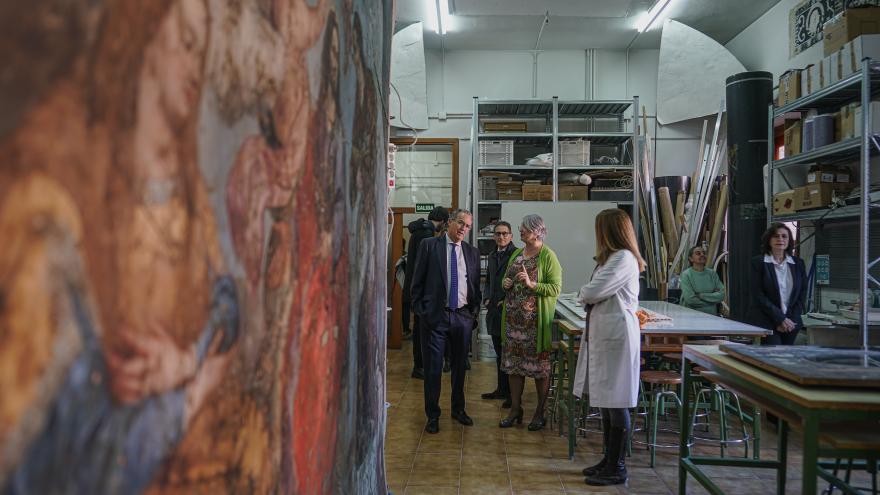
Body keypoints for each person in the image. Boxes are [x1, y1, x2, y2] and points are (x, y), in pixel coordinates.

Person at [573, 208, 645, 486]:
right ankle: (607, 459)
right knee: (606, 400)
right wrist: (587, 294)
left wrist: (586, 294)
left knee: (617, 402)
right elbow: (592, 292)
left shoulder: (624, 259)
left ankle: (618, 466)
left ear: (610, 232)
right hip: (606, 335)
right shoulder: (611, 259)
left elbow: (591, 292)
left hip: (617, 337)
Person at [410, 209, 482, 434]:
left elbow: (474, 286)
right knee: (433, 369)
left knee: (460, 367)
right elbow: (417, 282)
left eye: (468, 226)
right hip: (436, 318)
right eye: (460, 223)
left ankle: (458, 409)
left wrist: (472, 314)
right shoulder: (430, 246)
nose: (463, 229)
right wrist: (422, 312)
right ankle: (433, 415)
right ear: (450, 223)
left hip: (461, 317)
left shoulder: (472, 252)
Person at [498, 214, 562, 431]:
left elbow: (555, 288)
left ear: (537, 231)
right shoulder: (517, 253)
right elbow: (506, 279)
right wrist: (505, 283)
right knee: (514, 368)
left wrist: (533, 284)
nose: (521, 231)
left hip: (535, 326)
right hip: (513, 324)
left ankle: (539, 412)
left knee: (539, 370)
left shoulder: (548, 256)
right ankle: (516, 409)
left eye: (524, 228)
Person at [403, 206, 449, 379]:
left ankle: (420, 366)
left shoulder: (418, 230)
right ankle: (420, 366)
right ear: (443, 222)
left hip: (413, 286)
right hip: (421, 289)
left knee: (419, 329)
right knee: (421, 332)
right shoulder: (427, 235)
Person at [748, 222, 807, 345]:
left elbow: (802, 294)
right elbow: (758, 295)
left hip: (791, 322)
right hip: (768, 321)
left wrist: (790, 320)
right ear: (769, 240)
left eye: (784, 236)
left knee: (786, 359)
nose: (780, 239)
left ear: (789, 240)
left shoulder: (798, 263)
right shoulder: (758, 262)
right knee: (772, 357)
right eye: (776, 236)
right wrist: (780, 319)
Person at [481, 220, 517, 408]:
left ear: (511, 235)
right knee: (499, 353)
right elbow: (488, 281)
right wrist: (486, 298)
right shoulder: (492, 255)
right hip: (494, 310)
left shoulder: (517, 255)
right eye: (498, 234)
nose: (501, 237)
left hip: (509, 311)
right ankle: (501, 389)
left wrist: (507, 300)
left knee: (508, 354)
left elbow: (518, 283)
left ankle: (512, 395)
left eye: (505, 233)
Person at [679, 245, 725, 315]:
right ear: (691, 259)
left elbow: (722, 294)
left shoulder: (712, 273)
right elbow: (690, 300)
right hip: (690, 316)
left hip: (711, 316)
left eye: (703, 253)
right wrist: (712, 300)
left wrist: (701, 295)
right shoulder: (686, 275)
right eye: (698, 253)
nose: (702, 255)